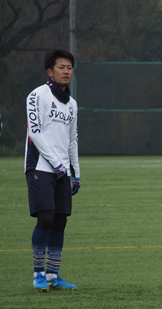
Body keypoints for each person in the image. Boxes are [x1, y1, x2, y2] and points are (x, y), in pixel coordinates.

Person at [25, 49, 81, 291]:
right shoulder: (37, 95)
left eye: (69, 67)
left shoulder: (72, 104)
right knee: (46, 217)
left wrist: (75, 172)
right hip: (40, 166)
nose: (66, 71)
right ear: (50, 71)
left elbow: (73, 140)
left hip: (62, 170)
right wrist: (57, 165)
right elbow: (35, 133)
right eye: (61, 67)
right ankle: (38, 274)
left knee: (60, 221)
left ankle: (52, 275)